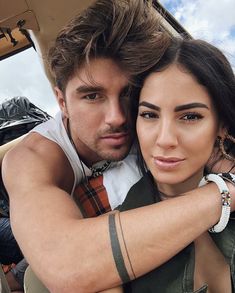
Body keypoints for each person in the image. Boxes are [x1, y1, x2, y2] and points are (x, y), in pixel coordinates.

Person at [2, 1, 235, 292]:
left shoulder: (152, 120)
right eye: (92, 96)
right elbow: (67, 265)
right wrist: (223, 194)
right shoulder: (34, 158)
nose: (117, 117)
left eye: (128, 93)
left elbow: (216, 145)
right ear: (62, 101)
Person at [116, 38, 235, 292]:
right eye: (149, 114)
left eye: (190, 116)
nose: (165, 139)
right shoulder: (110, 238)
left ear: (222, 126)